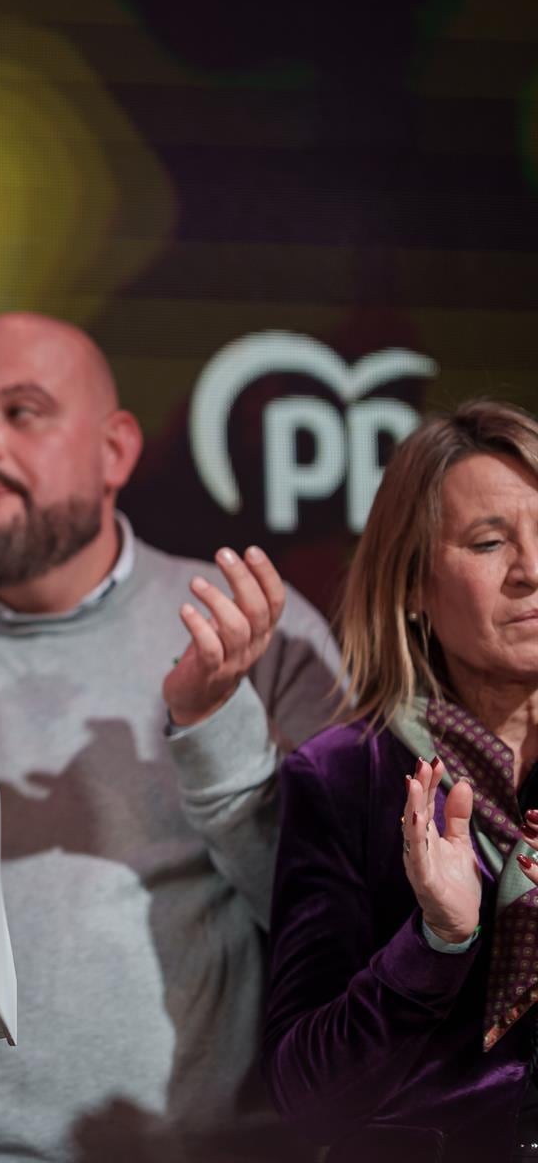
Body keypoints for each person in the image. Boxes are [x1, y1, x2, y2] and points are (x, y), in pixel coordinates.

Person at [0, 312, 344, 1161]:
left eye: (22, 412)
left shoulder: (243, 629)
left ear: (115, 451)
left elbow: (326, 922)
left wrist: (214, 720)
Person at [263, 399, 538, 1160]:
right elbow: (306, 1097)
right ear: (414, 584)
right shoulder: (345, 776)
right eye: (490, 542)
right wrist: (437, 941)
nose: (532, 571)